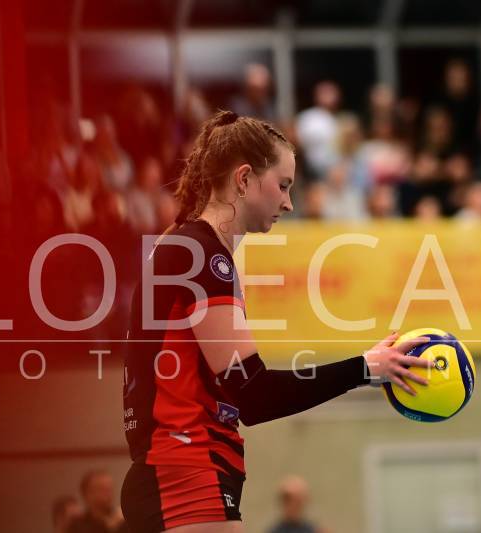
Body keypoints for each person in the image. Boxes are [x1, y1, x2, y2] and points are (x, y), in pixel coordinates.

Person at [120, 110, 434, 533]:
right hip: (184, 469)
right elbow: (255, 394)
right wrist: (365, 368)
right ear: (244, 178)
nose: (289, 203)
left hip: (185, 469)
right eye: (283, 185)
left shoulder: (190, 248)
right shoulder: (201, 255)